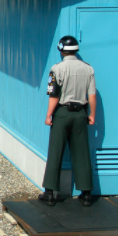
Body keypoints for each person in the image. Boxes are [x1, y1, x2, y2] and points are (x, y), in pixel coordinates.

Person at [40, 35, 97, 207]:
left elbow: (54, 94)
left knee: (56, 151)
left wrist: (49, 115)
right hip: (81, 114)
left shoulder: (56, 69)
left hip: (62, 113)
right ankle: (86, 193)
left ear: (61, 49)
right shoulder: (88, 69)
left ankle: (50, 192)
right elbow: (92, 95)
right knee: (82, 152)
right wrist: (92, 114)